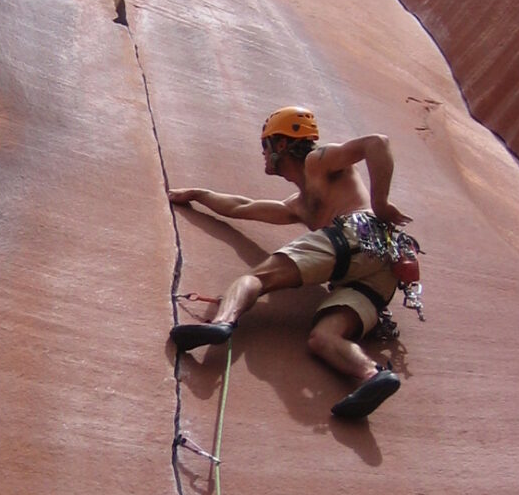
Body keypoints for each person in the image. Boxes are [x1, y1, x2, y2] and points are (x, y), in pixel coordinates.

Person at [168, 106, 416, 420]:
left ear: (282, 145)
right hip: (379, 272)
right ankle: (373, 374)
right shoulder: (299, 206)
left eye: (265, 146)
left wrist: (380, 204)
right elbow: (242, 207)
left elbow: (377, 143)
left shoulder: (318, 161)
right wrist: (198, 194)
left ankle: (222, 323)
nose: (263, 154)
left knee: (256, 280)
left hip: (357, 232)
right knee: (323, 338)